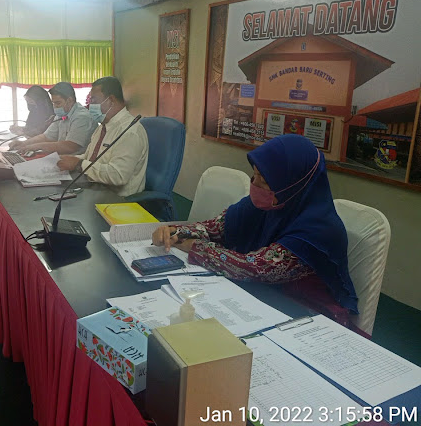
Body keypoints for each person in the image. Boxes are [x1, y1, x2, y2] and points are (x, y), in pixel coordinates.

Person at [152, 134, 359, 325]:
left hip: (310, 315)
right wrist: (175, 232)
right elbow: (214, 227)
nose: (255, 184)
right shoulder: (267, 204)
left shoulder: (319, 230)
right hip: (265, 299)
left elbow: (255, 268)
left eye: (265, 180)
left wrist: (195, 247)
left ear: (292, 184)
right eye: (255, 174)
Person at [58, 76, 148, 197]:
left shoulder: (130, 132)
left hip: (118, 200)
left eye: (93, 100)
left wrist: (78, 164)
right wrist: (69, 159)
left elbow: (118, 175)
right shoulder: (104, 126)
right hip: (96, 190)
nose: (90, 105)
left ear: (111, 100)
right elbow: (90, 157)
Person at [9, 82, 96, 155]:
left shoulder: (82, 117)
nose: (54, 107)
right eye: (53, 103)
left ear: (69, 100)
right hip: (62, 158)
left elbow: (70, 146)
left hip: (76, 164)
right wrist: (24, 143)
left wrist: (35, 146)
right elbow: (46, 137)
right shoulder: (62, 113)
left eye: (57, 103)